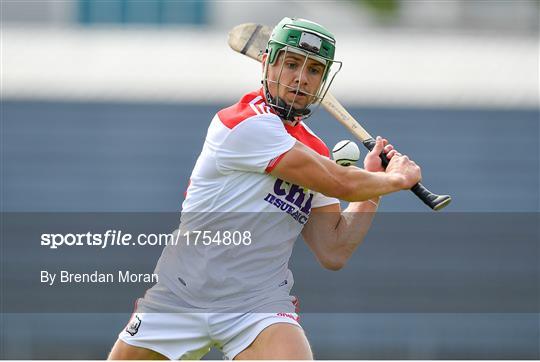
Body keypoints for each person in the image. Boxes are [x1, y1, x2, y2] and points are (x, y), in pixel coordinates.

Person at [108, 17, 420, 360]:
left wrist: (373, 189)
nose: (301, 78)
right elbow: (341, 182)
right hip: (181, 294)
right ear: (268, 63)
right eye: (291, 64)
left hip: (257, 305)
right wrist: (394, 180)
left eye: (315, 70)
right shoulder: (244, 124)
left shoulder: (315, 152)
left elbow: (334, 249)